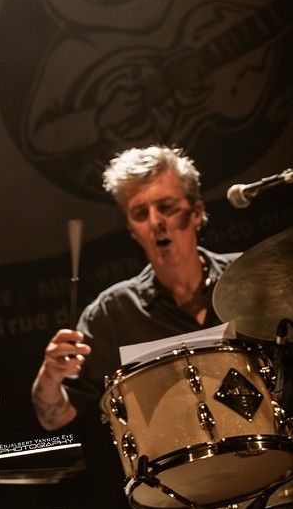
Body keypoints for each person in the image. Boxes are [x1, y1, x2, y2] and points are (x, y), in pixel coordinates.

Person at [30, 144, 239, 499]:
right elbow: (54, 417)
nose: (156, 221)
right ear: (131, 230)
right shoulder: (111, 313)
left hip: (268, 474)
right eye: (140, 213)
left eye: (167, 207)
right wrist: (49, 377)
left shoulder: (251, 280)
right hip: (174, 494)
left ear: (197, 212)